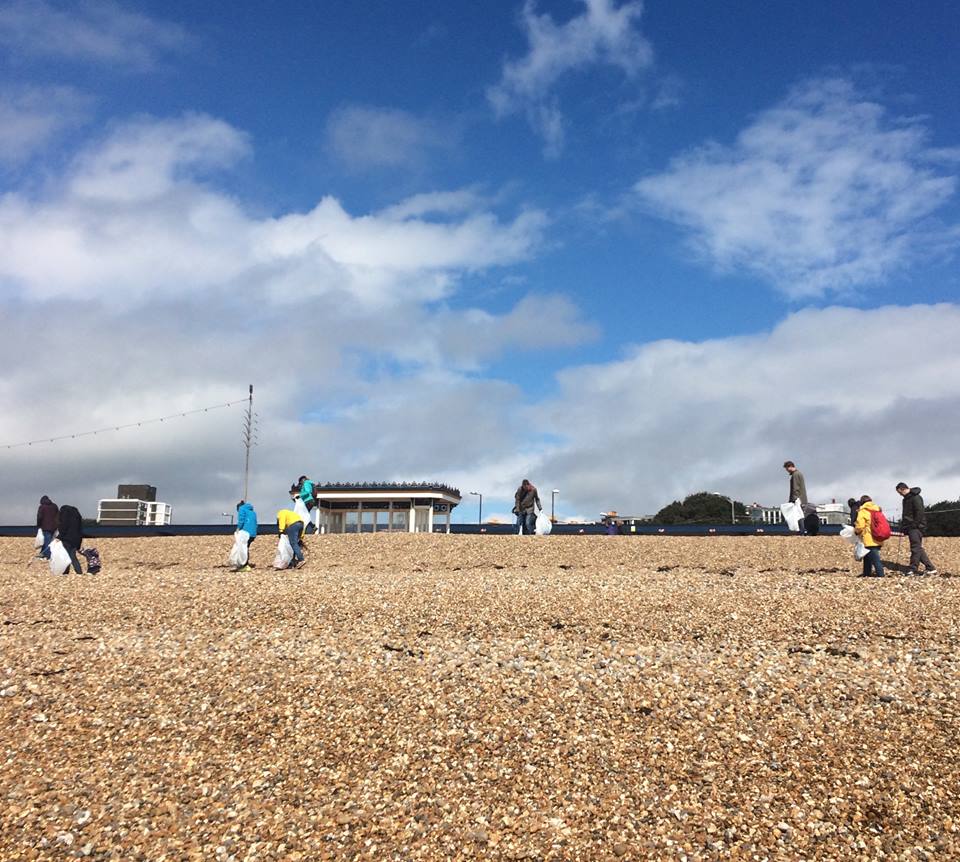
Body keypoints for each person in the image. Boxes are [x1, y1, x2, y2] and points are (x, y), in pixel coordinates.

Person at [896, 483, 937, 576]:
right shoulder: (905, 499)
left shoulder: (916, 497)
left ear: (903, 489)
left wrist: (914, 525)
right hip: (910, 526)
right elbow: (906, 515)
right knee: (917, 547)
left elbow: (920, 512)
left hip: (916, 527)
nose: (900, 494)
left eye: (899, 492)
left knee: (915, 548)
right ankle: (930, 568)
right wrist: (904, 526)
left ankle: (913, 569)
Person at [854, 495, 885, 578]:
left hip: (869, 538)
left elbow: (860, 526)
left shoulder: (863, 511)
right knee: (867, 556)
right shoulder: (877, 509)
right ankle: (866, 574)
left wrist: (856, 531)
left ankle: (881, 576)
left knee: (875, 559)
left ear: (861, 502)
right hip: (878, 537)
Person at [57, 504, 85, 575]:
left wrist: (59, 537)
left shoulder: (65, 515)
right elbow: (80, 529)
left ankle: (78, 572)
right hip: (76, 539)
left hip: (67, 539)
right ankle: (67, 572)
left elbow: (63, 527)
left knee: (70, 556)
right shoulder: (77, 516)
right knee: (70, 555)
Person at [783, 461, 809, 534]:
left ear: (790, 467)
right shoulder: (799, 473)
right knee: (800, 514)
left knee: (798, 515)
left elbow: (795, 488)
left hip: (798, 498)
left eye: (786, 468)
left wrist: (793, 500)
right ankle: (803, 531)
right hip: (802, 498)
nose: (787, 470)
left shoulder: (795, 475)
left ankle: (802, 531)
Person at [235, 500, 258, 572]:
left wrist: (238, 529)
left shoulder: (242, 509)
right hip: (253, 533)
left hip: (246, 532)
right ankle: (245, 563)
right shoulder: (253, 512)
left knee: (243, 548)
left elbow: (241, 520)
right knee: (246, 547)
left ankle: (244, 565)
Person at [36, 495, 59, 559]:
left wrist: (38, 525)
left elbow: (39, 517)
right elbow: (58, 515)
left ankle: (48, 555)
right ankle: (42, 553)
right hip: (54, 526)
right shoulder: (54, 506)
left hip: (45, 526)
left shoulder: (42, 507)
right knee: (48, 539)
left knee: (47, 540)